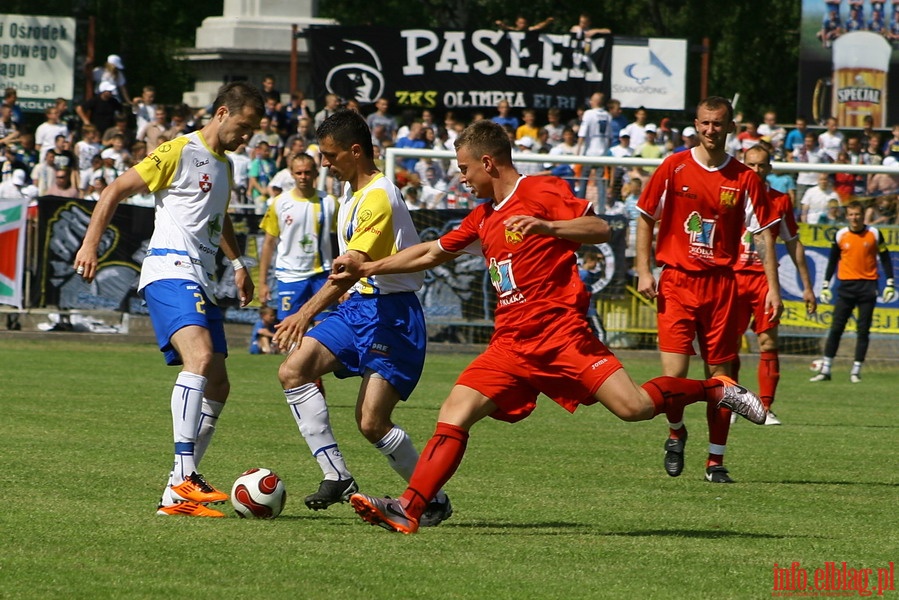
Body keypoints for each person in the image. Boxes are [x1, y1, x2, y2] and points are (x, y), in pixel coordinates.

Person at [333, 119, 767, 534]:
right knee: (454, 412)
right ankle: (410, 509)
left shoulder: (540, 189)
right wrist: (367, 266)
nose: (460, 177)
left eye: (464, 168)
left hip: (562, 337)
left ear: (488, 163)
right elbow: (429, 253)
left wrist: (548, 225)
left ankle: (718, 390)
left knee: (633, 408)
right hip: (510, 345)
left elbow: (599, 228)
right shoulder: (483, 217)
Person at [73, 81, 265, 518]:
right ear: (221, 113)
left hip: (202, 278)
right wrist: (90, 244)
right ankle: (183, 474)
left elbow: (220, 217)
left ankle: (173, 497)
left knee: (218, 383)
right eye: (244, 126)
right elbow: (114, 190)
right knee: (198, 359)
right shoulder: (179, 150)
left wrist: (237, 265)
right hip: (168, 270)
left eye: (253, 130)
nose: (247, 137)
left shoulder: (226, 165)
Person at [270, 109, 453, 526]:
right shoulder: (351, 197)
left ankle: (434, 501)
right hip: (357, 308)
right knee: (293, 370)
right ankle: (336, 475)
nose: (324, 164)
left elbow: (350, 267)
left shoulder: (379, 196)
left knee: (371, 423)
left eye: (330, 155)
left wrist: (304, 313)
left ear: (356, 151)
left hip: (392, 315)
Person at [635, 96, 782, 484]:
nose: (710, 130)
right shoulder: (674, 166)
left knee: (722, 380)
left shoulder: (744, 177)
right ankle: (676, 432)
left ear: (731, 127)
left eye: (718, 124)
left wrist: (772, 286)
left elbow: (765, 234)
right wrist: (643, 270)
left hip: (722, 287)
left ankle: (715, 462)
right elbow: (645, 217)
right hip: (677, 281)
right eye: (704, 123)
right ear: (695, 125)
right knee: (675, 378)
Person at [734, 145, 817, 426]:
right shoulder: (730, 196)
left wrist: (807, 286)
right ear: (744, 166)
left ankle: (765, 407)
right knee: (728, 344)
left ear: (770, 169)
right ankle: (731, 403)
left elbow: (793, 244)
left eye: (762, 165)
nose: (756, 170)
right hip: (731, 278)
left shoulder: (780, 201)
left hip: (763, 280)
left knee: (768, 342)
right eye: (751, 165)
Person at [811, 200, 896, 384]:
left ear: (862, 214)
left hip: (868, 287)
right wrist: (825, 285)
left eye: (857, 214)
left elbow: (886, 257)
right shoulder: (840, 235)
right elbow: (832, 261)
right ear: (846, 216)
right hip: (846, 287)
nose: (854, 218)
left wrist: (890, 283)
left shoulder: (874, 233)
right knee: (836, 328)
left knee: (863, 330)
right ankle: (826, 369)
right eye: (851, 214)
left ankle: (856, 371)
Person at [258, 153, 337, 327]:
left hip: (322, 274)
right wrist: (262, 282)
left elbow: (344, 239)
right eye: (299, 173)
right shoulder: (279, 203)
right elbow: (268, 243)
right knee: (289, 330)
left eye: (307, 172)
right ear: (291, 174)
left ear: (316, 173)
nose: (303, 177)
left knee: (324, 329)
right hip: (290, 275)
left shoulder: (330, 202)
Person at [575, 92, 612, 204]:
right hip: (602, 153)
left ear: (596, 101)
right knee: (600, 182)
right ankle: (601, 207)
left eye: (591, 100)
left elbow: (582, 133)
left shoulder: (588, 114)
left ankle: (580, 204)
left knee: (584, 180)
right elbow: (610, 137)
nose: (590, 102)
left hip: (589, 153)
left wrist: (578, 150)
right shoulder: (608, 115)